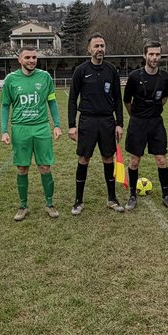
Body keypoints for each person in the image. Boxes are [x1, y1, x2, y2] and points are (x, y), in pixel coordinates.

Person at [0, 46, 61, 220]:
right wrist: (4, 130)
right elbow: (5, 106)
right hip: (20, 128)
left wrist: (57, 125)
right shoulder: (11, 80)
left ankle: (50, 204)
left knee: (45, 166)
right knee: (22, 167)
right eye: (27, 57)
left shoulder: (45, 77)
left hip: (41, 127)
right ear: (19, 60)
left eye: (34, 57)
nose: (32, 60)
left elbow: (52, 102)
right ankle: (23, 206)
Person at [67, 34, 124, 215]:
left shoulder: (111, 70)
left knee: (108, 158)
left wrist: (119, 123)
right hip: (87, 121)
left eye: (102, 45)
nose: (100, 49)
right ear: (89, 49)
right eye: (96, 46)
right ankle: (78, 201)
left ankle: (112, 199)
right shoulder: (81, 70)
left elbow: (118, 99)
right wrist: (71, 124)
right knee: (84, 159)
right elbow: (72, 99)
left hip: (107, 121)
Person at [123, 41, 168, 210]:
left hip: (156, 123)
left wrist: (154, 111)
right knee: (135, 161)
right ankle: (131, 195)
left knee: (161, 160)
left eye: (157, 54)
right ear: (144, 56)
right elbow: (127, 101)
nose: (154, 57)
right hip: (137, 122)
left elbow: (165, 98)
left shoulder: (165, 77)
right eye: (151, 54)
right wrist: (136, 116)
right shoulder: (134, 77)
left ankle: (166, 195)